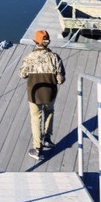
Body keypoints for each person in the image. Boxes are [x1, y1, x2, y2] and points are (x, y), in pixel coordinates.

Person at [18, 29, 66, 160]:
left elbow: (22, 74)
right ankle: (47, 138)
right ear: (47, 42)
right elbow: (61, 80)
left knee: (36, 118)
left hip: (34, 94)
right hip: (50, 93)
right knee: (49, 112)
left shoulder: (29, 57)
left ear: (35, 42)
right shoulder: (54, 57)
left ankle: (37, 148)